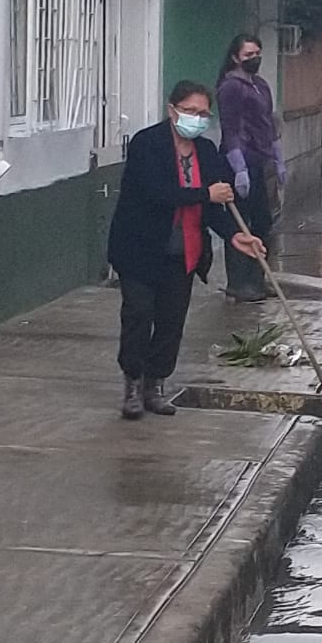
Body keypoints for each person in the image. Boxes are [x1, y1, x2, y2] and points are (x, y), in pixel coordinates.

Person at [106, 80, 266, 420]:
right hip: (139, 248)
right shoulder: (146, 144)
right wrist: (206, 194)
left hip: (184, 252)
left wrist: (235, 235)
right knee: (138, 315)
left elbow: (213, 207)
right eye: (190, 111)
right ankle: (132, 383)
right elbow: (157, 193)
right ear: (172, 110)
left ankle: (155, 384)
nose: (197, 118)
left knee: (171, 320)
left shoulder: (206, 152)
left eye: (203, 113)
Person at [216, 34, 286, 303]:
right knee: (240, 223)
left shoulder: (260, 85)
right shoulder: (230, 87)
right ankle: (238, 282)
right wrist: (238, 167)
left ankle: (257, 278)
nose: (254, 58)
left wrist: (278, 158)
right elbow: (230, 128)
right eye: (248, 55)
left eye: (257, 52)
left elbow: (268, 124)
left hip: (261, 160)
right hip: (239, 162)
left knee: (263, 222)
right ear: (236, 57)